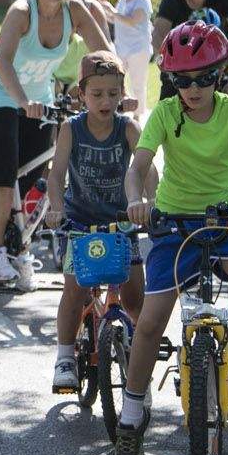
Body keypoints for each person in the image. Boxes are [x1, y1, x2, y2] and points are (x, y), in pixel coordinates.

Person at [119, 20, 228, 455]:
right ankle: (132, 413)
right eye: (182, 80)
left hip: (226, 221)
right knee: (152, 318)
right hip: (174, 225)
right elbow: (137, 168)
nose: (193, 89)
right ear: (170, 80)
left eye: (203, 78)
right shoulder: (164, 115)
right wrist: (137, 200)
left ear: (221, 74)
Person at [0, 0, 110, 290]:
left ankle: (19, 245)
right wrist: (22, 101)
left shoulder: (77, 11)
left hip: (38, 98)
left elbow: (104, 55)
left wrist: (119, 90)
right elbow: (2, 62)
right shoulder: (21, 12)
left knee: (35, 175)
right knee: (3, 169)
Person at [44, 52, 154, 393]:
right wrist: (57, 207)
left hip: (123, 222)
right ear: (82, 95)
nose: (106, 101)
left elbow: (148, 170)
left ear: (122, 93)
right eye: (97, 94)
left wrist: (148, 203)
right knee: (75, 290)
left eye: (113, 93)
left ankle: (138, 360)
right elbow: (56, 175)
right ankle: (64, 356)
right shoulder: (71, 129)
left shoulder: (128, 128)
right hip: (79, 222)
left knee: (135, 297)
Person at [109, 0, 153, 122]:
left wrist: (113, 13)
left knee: (137, 83)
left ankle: (137, 115)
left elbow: (133, 20)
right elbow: (116, 18)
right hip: (121, 48)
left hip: (138, 49)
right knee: (115, 79)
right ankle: (117, 108)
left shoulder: (143, 0)